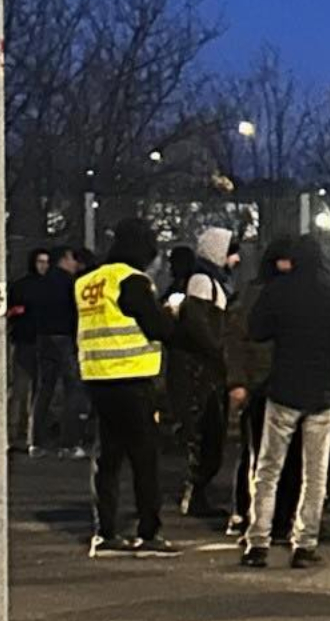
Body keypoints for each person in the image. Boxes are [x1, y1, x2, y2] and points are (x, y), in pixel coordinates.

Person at [241, 235, 330, 569]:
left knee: (268, 470)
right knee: (315, 474)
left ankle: (258, 542)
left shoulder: (278, 291)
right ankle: (305, 544)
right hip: (323, 393)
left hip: (284, 390)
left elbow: (256, 329)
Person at [79, 219, 183, 558]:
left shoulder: (88, 282)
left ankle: (105, 532)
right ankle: (149, 533)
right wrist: (171, 313)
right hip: (132, 379)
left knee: (106, 458)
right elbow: (157, 329)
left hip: (97, 378)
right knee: (144, 457)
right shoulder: (132, 281)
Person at [224, 236, 303, 540]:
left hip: (280, 382)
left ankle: (277, 517)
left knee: (279, 456)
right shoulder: (255, 296)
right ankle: (252, 514)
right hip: (263, 384)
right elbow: (236, 340)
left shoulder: (274, 293)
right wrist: (238, 381)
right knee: (260, 454)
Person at [173, 228, 236, 517]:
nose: (235, 260)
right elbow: (199, 326)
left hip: (207, 368)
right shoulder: (202, 282)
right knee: (205, 432)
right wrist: (218, 351)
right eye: (231, 253)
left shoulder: (210, 281)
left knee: (210, 432)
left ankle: (197, 492)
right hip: (203, 370)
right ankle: (195, 493)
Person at [31, 246, 91, 459]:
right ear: (64, 259)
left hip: (43, 337)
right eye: (73, 259)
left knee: (44, 389)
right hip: (65, 337)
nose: (76, 264)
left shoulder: (42, 282)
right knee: (73, 388)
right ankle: (69, 443)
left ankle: (36, 442)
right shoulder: (69, 283)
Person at [7, 247, 49, 453]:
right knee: (21, 389)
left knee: (34, 390)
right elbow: (9, 310)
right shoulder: (22, 286)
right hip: (25, 341)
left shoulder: (45, 286)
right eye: (40, 262)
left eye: (46, 262)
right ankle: (13, 431)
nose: (44, 266)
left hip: (40, 342)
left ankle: (26, 433)